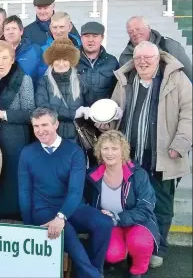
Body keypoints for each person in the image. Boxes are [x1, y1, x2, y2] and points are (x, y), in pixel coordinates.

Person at [100, 41, 192, 268]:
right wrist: (106, 124)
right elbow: (115, 110)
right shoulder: (125, 80)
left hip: (163, 155)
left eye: (147, 58)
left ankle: (157, 247)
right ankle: (131, 246)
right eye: (138, 57)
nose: (142, 62)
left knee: (161, 204)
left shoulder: (176, 79)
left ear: (158, 58)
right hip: (130, 159)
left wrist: (180, 143)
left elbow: (189, 113)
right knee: (129, 202)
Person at [18, 107, 113, 278]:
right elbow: (24, 191)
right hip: (43, 209)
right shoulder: (28, 153)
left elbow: (76, 191)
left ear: (56, 124)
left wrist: (61, 216)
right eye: (36, 126)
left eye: (45, 124)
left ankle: (93, 271)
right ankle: (93, 275)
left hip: (71, 206)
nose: (40, 130)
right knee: (64, 231)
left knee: (104, 223)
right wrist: (29, 226)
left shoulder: (74, 151)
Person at [86, 130, 160, 278]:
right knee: (112, 254)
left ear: (123, 151)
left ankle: (137, 270)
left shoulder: (138, 174)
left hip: (138, 222)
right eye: (105, 148)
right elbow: (85, 202)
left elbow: (146, 208)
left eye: (114, 148)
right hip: (110, 223)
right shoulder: (92, 175)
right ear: (99, 151)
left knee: (140, 243)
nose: (109, 153)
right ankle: (122, 252)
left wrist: (118, 218)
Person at [0, 40, 35, 220]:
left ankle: (15, 217)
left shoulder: (24, 80)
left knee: (12, 178)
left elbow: (30, 113)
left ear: (12, 59)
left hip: (15, 138)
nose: (1, 62)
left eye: (5, 58)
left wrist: (3, 114)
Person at [35, 38, 90, 142]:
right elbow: (43, 108)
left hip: (76, 139)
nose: (61, 64)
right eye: (57, 59)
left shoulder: (81, 81)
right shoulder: (44, 82)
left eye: (65, 59)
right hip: (51, 139)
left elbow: (90, 105)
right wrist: (73, 114)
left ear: (71, 61)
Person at [120, 16, 192, 80]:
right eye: (130, 31)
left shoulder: (170, 46)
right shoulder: (125, 57)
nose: (135, 33)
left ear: (149, 28)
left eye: (138, 29)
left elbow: (190, 75)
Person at [77, 22, 119, 104]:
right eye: (86, 36)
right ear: (81, 38)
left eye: (95, 36)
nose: (90, 40)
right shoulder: (72, 60)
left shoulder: (112, 62)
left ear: (102, 38)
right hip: (77, 113)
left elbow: (117, 90)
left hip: (103, 113)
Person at [38, 11, 82, 76]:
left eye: (61, 27)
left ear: (69, 27)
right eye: (55, 27)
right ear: (50, 28)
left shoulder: (80, 49)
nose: (58, 31)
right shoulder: (42, 51)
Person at [2, 15, 42, 81]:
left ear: (21, 31)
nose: (10, 32)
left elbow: (43, 77)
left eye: (14, 28)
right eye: (7, 29)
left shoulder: (35, 50)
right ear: (3, 33)